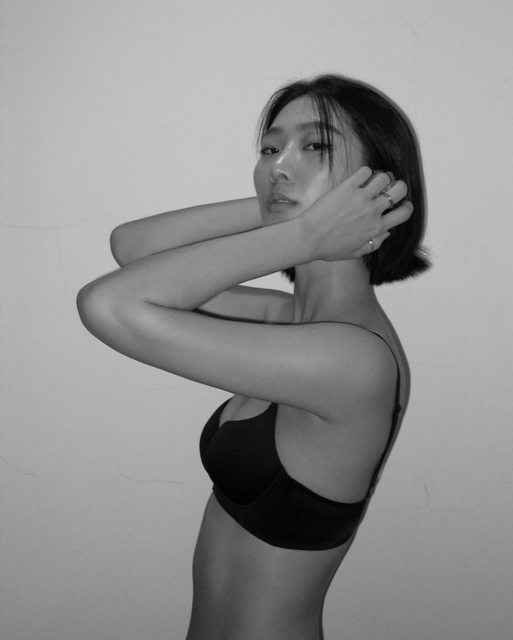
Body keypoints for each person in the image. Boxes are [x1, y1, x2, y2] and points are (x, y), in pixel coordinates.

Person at [77, 74, 429, 640]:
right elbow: (133, 250)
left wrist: (308, 231)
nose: (279, 165)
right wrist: (289, 212)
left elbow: (109, 306)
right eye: (270, 149)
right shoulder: (287, 323)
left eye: (315, 146)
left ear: (380, 185)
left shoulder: (353, 360)